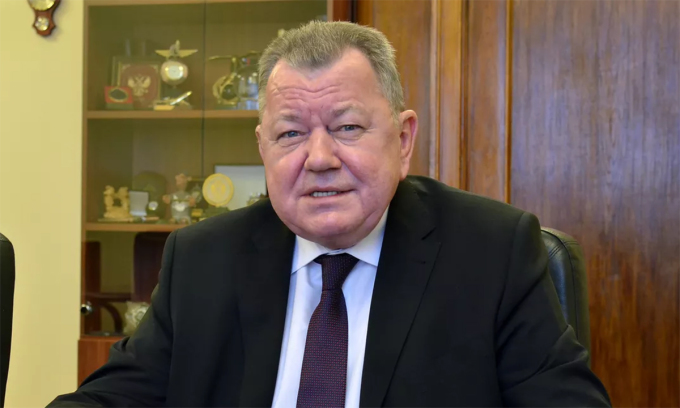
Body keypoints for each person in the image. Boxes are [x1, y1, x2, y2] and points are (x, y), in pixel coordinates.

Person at [49, 21, 610, 407]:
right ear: (263, 148)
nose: (319, 158)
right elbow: (115, 397)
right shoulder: (202, 260)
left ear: (403, 139)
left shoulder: (492, 251)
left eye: (347, 127)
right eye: (291, 134)